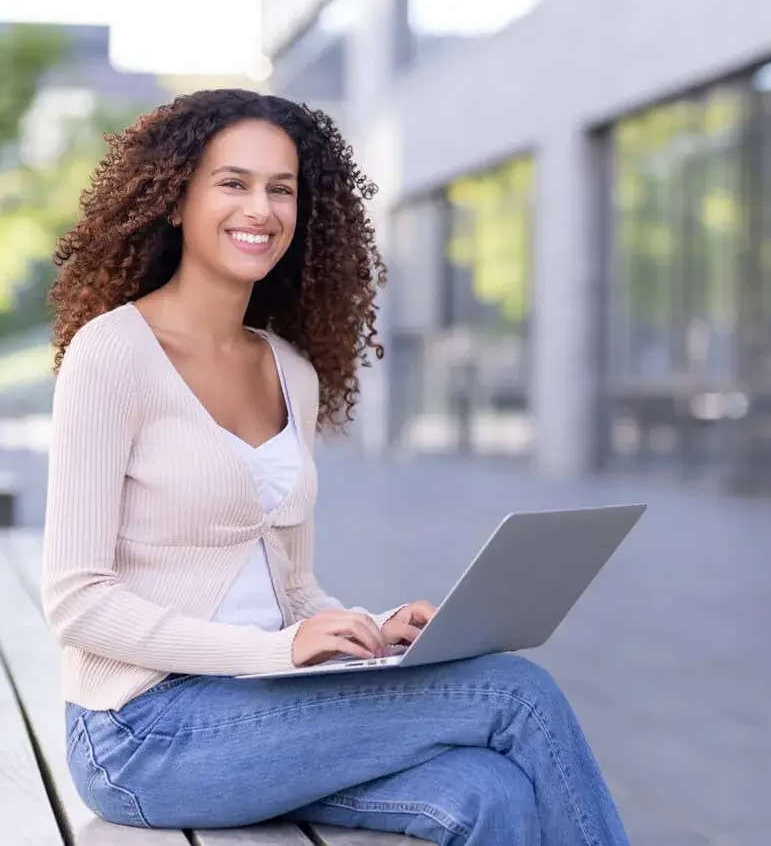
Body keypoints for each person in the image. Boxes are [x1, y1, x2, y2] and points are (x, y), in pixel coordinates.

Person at [42, 88, 630, 845]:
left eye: (280, 189)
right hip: (144, 732)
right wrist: (272, 653)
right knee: (513, 693)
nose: (261, 208)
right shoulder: (112, 354)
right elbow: (77, 602)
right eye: (233, 182)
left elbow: (291, 589)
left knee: (490, 795)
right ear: (174, 198)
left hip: (269, 706)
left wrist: (375, 631)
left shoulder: (290, 369)